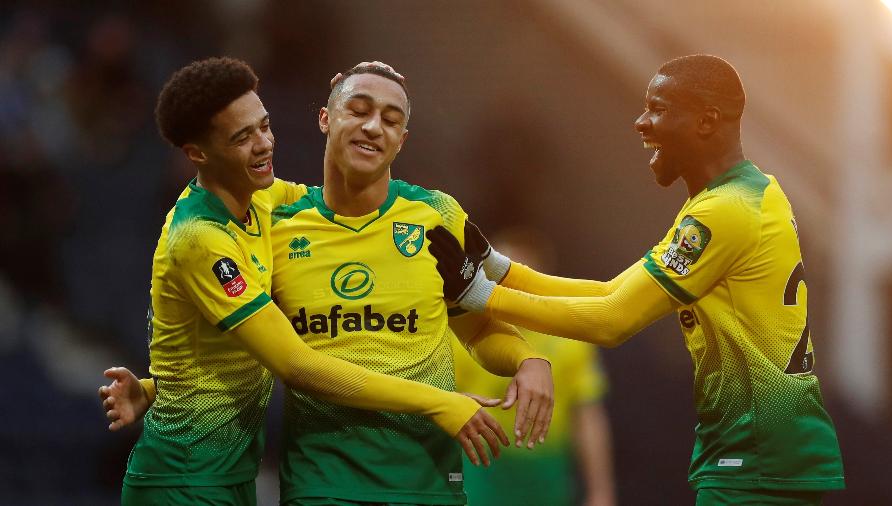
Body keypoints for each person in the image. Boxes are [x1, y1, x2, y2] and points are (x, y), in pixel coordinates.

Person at [428, 54, 845, 505]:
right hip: (766, 449)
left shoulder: (725, 212)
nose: (640, 123)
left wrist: (476, 294)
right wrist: (499, 270)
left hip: (757, 453)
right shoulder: (748, 192)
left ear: (706, 121)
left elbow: (612, 320)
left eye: (659, 109)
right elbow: (610, 292)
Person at [99, 57, 510, 506]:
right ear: (199, 153)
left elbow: (338, 202)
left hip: (230, 476)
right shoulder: (200, 239)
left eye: (264, 126)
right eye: (242, 138)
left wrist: (351, 99)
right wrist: (438, 401)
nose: (264, 145)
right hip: (180, 481)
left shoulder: (261, 197)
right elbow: (295, 364)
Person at [268, 63, 553, 505]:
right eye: (358, 110)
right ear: (325, 118)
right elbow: (246, 344)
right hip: (323, 484)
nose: (373, 126)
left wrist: (529, 359)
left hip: (429, 482)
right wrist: (154, 388)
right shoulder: (277, 229)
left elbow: (475, 327)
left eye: (390, 119)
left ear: (402, 140)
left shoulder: (435, 215)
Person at [451, 228, 616, 506]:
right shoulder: (465, 333)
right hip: (479, 467)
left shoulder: (569, 338)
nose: (508, 287)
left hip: (547, 470)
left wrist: (601, 491)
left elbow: (587, 415)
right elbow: (436, 403)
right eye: (497, 277)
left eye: (515, 276)